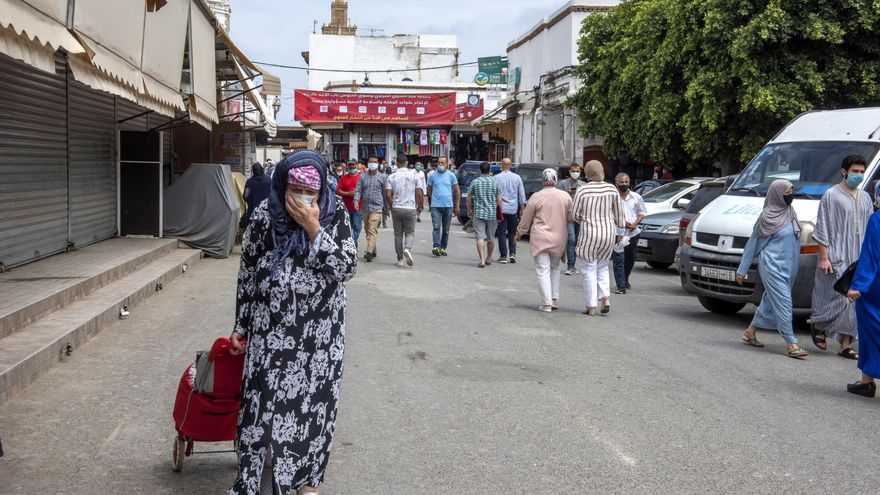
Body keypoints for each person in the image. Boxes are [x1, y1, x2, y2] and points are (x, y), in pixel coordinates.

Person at [228, 150, 357, 495]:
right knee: (262, 407)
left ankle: (305, 482)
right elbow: (248, 276)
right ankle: (258, 476)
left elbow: (347, 268)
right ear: (281, 184)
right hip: (269, 335)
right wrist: (241, 325)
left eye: (310, 193)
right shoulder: (263, 218)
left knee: (311, 412)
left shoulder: (335, 215)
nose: (303, 199)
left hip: (319, 340)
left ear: (321, 192)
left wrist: (314, 228)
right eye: (295, 190)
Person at [736, 179, 808, 358]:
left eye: (792, 190)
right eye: (788, 191)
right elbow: (753, 244)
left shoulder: (790, 212)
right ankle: (791, 343)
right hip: (772, 266)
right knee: (784, 302)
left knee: (770, 299)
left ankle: (750, 332)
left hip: (789, 266)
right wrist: (742, 270)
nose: (791, 194)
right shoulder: (767, 217)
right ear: (777, 193)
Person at [810, 155, 873, 358]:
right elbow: (823, 227)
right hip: (836, 254)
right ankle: (819, 324)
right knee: (836, 298)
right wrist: (824, 257)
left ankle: (845, 344)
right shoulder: (831, 195)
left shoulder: (865, 198)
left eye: (862, 172)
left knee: (855, 299)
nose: (859, 175)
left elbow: (871, 228)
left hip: (859, 256)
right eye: (855, 171)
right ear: (844, 171)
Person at [571, 161, 625, 315]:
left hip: (589, 233)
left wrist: (584, 219)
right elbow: (619, 213)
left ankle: (591, 305)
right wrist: (620, 232)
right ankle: (605, 297)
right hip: (608, 233)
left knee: (589, 268)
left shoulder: (583, 190)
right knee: (602, 266)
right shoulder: (611, 189)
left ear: (587, 172)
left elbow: (574, 214)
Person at [517, 168, 572, 312]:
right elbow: (571, 217)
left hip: (540, 238)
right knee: (555, 268)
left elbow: (526, 219)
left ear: (543, 180)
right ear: (556, 179)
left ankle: (546, 303)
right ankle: (553, 299)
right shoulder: (565, 196)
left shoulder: (536, 196)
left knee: (543, 270)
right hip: (559, 238)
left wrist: (520, 232)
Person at [846, 188, 880, 397]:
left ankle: (867, 380)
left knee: (871, 331)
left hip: (875, 287)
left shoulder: (877, 219)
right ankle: (866, 380)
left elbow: (871, 254)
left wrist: (857, 285)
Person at [385, 155, 425, 267]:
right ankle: (407, 249)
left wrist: (391, 206)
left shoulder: (391, 176)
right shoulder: (415, 175)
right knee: (410, 232)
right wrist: (420, 206)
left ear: (397, 163)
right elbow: (419, 193)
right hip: (410, 208)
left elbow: (388, 194)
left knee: (398, 234)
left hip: (397, 207)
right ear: (406, 163)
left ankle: (400, 260)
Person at [612, 173, 646, 294]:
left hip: (633, 233)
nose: (624, 184)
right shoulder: (613, 197)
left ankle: (625, 279)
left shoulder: (636, 197)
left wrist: (635, 223)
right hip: (617, 232)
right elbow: (609, 214)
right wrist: (622, 222)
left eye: (626, 182)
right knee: (619, 259)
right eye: (621, 182)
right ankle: (620, 285)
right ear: (617, 183)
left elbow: (641, 213)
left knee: (630, 259)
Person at [467, 162, 503, 268]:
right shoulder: (495, 182)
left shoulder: (475, 182)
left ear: (480, 170)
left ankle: (482, 259)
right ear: (489, 170)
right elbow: (499, 200)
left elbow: (469, 197)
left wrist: (469, 209)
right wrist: (500, 213)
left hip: (478, 213)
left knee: (480, 237)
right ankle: (489, 257)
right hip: (492, 213)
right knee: (491, 238)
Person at [355, 156, 388, 262]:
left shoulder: (382, 177)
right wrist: (356, 201)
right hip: (365, 207)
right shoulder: (362, 176)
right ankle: (373, 250)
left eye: (374, 162)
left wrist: (386, 208)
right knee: (367, 230)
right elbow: (358, 190)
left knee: (372, 230)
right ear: (368, 163)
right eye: (370, 162)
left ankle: (368, 252)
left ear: (378, 164)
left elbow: (385, 193)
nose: (372, 164)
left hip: (377, 207)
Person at [494, 158, 527, 264]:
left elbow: (494, 195)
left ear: (501, 165)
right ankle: (512, 254)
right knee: (512, 232)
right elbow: (521, 195)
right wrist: (522, 208)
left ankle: (503, 256)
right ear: (510, 165)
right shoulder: (517, 178)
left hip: (501, 209)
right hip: (513, 209)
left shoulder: (496, 178)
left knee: (501, 232)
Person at [426, 156, 460, 256]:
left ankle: (442, 248)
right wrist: (434, 199)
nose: (440, 165)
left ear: (446, 164)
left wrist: (457, 206)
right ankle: (436, 246)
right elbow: (429, 189)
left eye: (442, 163)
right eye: (439, 163)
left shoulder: (451, 175)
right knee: (436, 227)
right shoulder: (432, 175)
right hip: (435, 206)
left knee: (446, 230)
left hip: (448, 206)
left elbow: (457, 190)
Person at [557, 163, 587, 275]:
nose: (575, 173)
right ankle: (570, 266)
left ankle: (573, 265)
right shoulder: (562, 184)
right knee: (571, 239)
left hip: (580, 217)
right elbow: (558, 199)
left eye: (577, 171)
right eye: (573, 171)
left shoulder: (583, 185)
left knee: (577, 242)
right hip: (568, 217)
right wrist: (567, 194)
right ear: (570, 171)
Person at [336, 160, 363, 248]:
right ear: (347, 166)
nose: (351, 167)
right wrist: (348, 194)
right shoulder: (344, 178)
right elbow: (338, 191)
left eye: (353, 165)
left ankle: (352, 242)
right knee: (348, 228)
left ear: (356, 165)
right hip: (346, 207)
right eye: (350, 165)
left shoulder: (361, 177)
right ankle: (353, 244)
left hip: (358, 207)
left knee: (357, 227)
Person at [240, 162, 272, 231]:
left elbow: (245, 196)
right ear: (262, 169)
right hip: (266, 214)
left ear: (253, 171)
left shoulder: (249, 182)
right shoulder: (269, 181)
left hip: (252, 213)